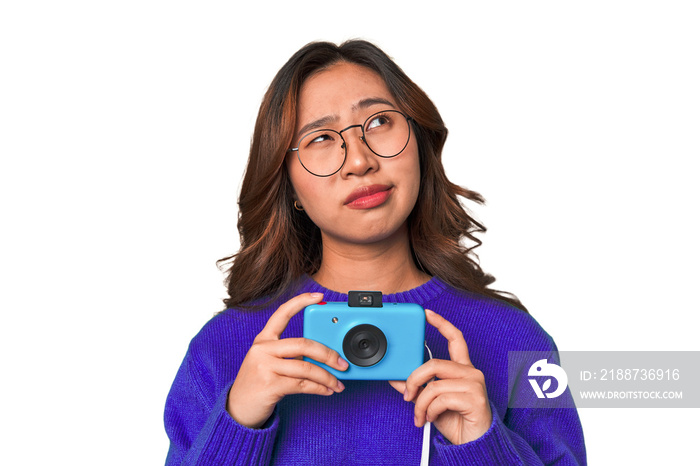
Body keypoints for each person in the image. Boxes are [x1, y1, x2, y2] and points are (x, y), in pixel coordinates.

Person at [164, 40, 586, 465]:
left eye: (380, 121)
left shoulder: (517, 343)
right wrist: (237, 425)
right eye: (322, 137)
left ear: (419, 142)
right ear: (289, 184)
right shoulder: (222, 348)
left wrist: (480, 445)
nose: (360, 160)